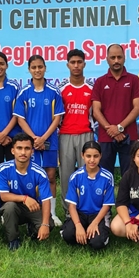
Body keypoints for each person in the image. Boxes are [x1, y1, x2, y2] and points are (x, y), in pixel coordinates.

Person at [13, 55, 65, 227]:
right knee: (32, 176)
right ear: (29, 69)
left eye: (40, 67)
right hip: (30, 144)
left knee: (50, 176)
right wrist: (34, 139)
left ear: (45, 68)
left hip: (50, 141)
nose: (37, 70)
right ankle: (33, 212)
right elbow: (20, 119)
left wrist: (43, 138)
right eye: (34, 67)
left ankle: (51, 214)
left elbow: (57, 118)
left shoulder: (54, 91)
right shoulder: (24, 92)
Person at [0, 133, 54, 251]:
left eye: (27, 148)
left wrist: (45, 225)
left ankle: (32, 230)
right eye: (19, 148)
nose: (23, 152)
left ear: (32, 151)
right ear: (13, 151)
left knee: (50, 224)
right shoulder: (3, 168)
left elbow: (46, 200)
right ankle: (13, 239)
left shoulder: (39, 172)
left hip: (32, 207)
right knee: (9, 207)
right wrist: (24, 198)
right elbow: (3, 196)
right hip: (13, 206)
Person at [92, 44, 139, 176]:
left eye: (119, 57)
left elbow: (138, 108)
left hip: (128, 136)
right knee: (104, 176)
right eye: (113, 57)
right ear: (107, 59)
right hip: (106, 137)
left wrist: (119, 128)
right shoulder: (100, 82)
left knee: (130, 175)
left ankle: (126, 193)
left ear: (124, 58)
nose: (116, 61)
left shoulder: (134, 80)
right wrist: (112, 130)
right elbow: (96, 111)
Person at [58, 49, 94, 218]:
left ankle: (87, 210)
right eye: (73, 62)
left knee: (87, 174)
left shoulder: (91, 88)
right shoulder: (62, 89)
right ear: (67, 65)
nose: (76, 65)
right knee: (66, 175)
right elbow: (57, 116)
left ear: (84, 64)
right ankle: (68, 213)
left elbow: (96, 113)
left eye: (79, 62)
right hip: (65, 134)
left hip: (86, 134)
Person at [61, 141, 114, 251]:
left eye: (96, 156)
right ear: (82, 156)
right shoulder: (75, 176)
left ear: (101, 156)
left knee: (97, 243)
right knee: (68, 235)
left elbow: (107, 205)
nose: (92, 160)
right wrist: (78, 225)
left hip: (98, 214)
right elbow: (72, 206)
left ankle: (99, 234)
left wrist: (95, 223)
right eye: (88, 156)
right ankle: (82, 231)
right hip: (80, 213)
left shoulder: (108, 177)